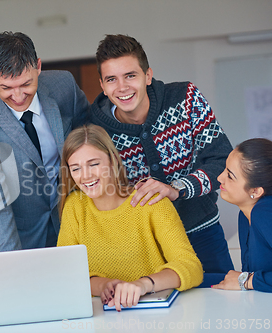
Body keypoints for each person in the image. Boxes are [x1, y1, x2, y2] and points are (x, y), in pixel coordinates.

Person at [89, 34, 234, 274]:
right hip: (144, 245)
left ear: (147, 75)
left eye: (130, 75)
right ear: (103, 86)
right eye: (112, 79)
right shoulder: (95, 130)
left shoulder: (186, 98)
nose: (122, 87)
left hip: (202, 231)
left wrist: (177, 188)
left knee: (221, 301)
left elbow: (223, 162)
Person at [0, 31, 89, 252]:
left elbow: (92, 140)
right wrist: (11, 266)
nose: (18, 97)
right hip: (18, 232)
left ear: (38, 66)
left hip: (76, 222)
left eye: (26, 84)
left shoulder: (64, 86)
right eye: (6, 88)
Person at [57, 124, 203, 311]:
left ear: (112, 161)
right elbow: (66, 272)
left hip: (157, 317)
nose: (85, 176)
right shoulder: (75, 206)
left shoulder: (150, 200)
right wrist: (103, 285)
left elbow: (191, 267)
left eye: (94, 164)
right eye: (75, 168)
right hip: (102, 320)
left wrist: (143, 284)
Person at [212, 138, 272, 292]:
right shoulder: (245, 214)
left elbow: (247, 278)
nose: (220, 178)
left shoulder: (264, 213)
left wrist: (246, 281)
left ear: (256, 191)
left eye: (230, 176)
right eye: (225, 169)